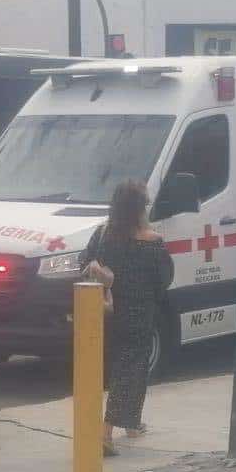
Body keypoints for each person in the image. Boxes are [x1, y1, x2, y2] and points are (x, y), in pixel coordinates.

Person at [83, 180, 174, 457]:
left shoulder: (102, 235)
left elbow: (84, 263)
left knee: (121, 370)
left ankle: (132, 424)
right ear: (138, 209)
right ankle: (106, 431)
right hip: (138, 315)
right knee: (131, 371)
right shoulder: (153, 243)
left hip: (105, 313)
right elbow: (164, 279)